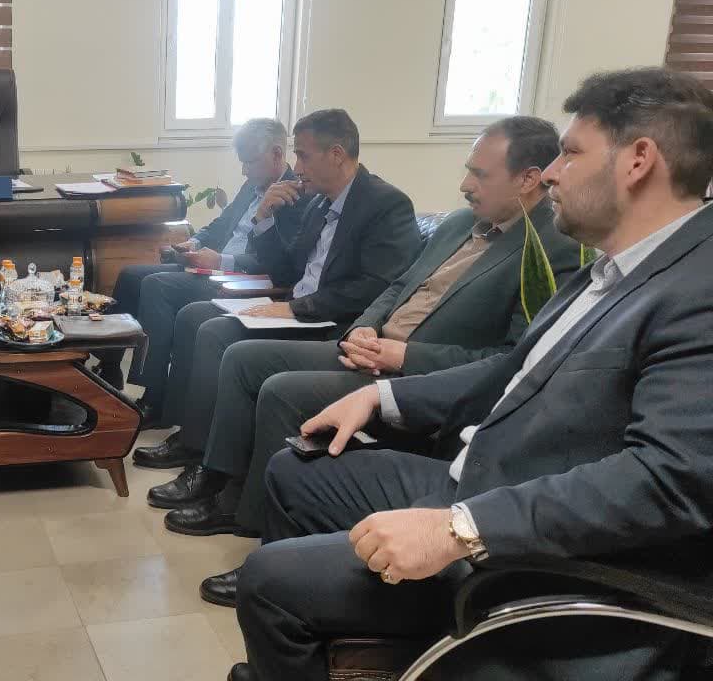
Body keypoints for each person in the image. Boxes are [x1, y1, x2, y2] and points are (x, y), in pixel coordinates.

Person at [230, 67, 713, 681]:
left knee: (269, 581)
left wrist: (460, 529)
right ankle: (350, 641)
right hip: (481, 479)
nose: (552, 172)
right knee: (296, 469)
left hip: (544, 550)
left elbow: (669, 481)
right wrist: (381, 396)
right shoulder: (617, 266)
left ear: (638, 160)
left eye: (570, 152)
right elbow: (512, 371)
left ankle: (336, 625)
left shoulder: (698, 287)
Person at [158, 116, 582, 604]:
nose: (464, 185)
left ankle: (262, 539)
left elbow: (510, 361)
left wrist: (407, 355)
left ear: (528, 179)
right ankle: (220, 481)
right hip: (369, 347)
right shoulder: (459, 223)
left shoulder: (552, 251)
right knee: (242, 357)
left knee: (280, 391)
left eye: (479, 174)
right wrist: (365, 325)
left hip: (414, 374)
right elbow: (398, 285)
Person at [133, 108, 421, 461]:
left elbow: (376, 287)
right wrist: (265, 219)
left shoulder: (386, 204)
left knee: (214, 332)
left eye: (303, 155)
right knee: (195, 316)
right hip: (293, 308)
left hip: (329, 321)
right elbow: (284, 269)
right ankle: (188, 432)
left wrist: (295, 308)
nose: (296, 167)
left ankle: (200, 454)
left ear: (336, 155)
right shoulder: (319, 203)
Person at [93, 118, 296, 390]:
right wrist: (194, 242)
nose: (244, 170)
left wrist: (222, 261)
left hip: (241, 279)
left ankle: (152, 393)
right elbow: (222, 223)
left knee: (157, 285)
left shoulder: (293, 195)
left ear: (277, 154)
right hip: (213, 266)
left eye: (249, 162)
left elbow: (278, 262)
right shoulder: (252, 185)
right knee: (130, 276)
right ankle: (109, 369)